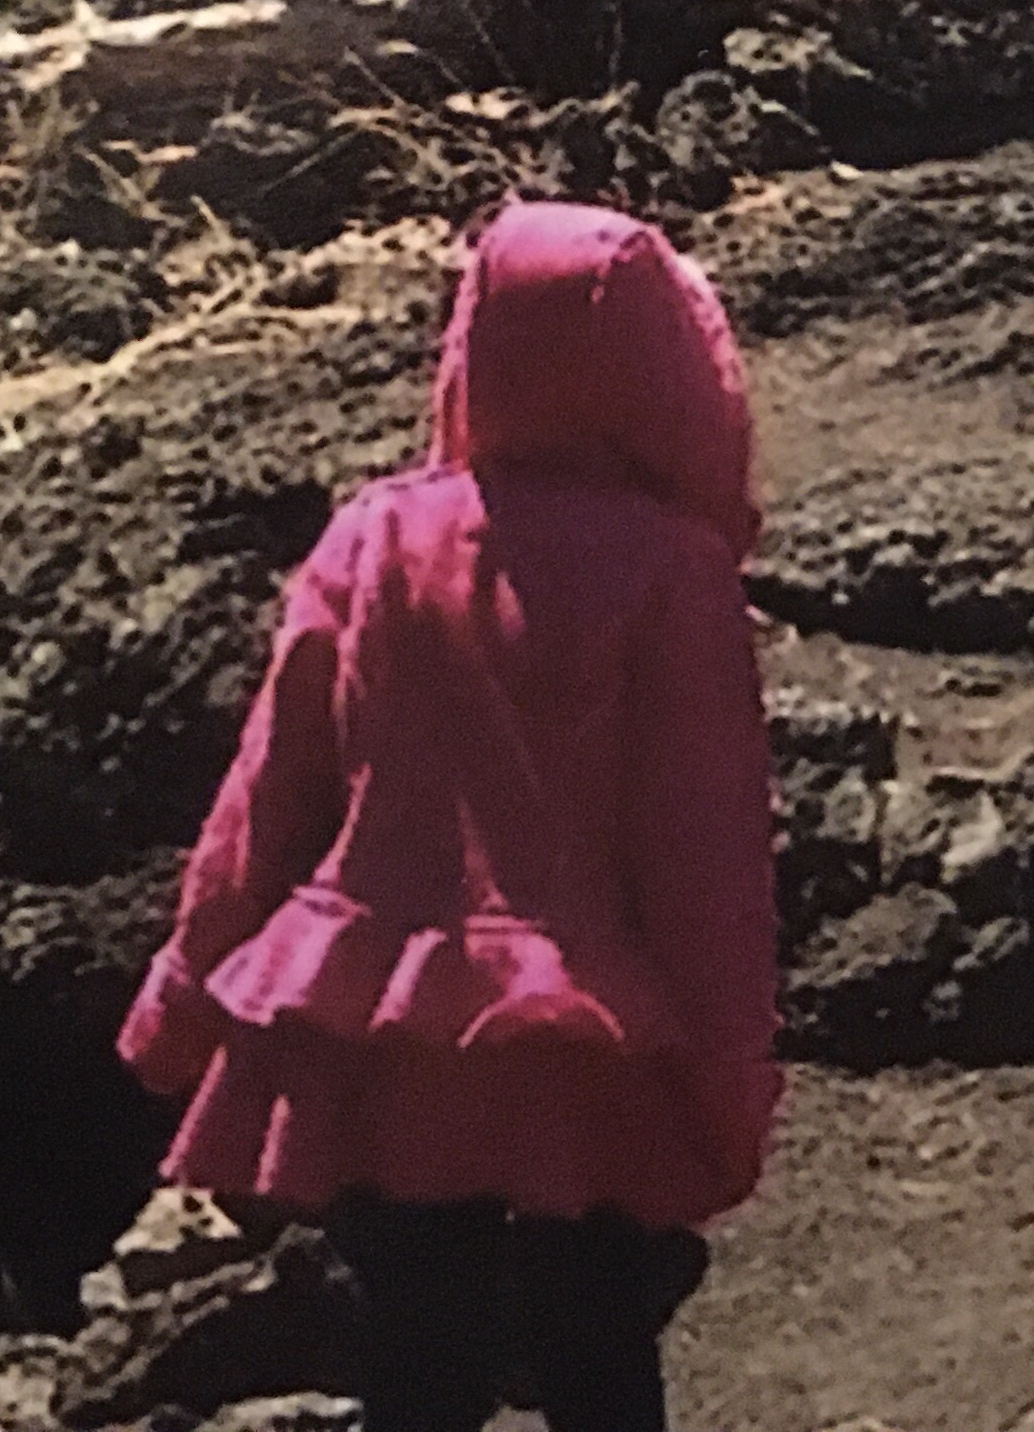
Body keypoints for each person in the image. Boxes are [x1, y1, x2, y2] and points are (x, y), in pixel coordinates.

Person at [117, 201, 781, 1432]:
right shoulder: (675, 572)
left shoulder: (374, 537)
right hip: (587, 1048)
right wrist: (729, 1067)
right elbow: (706, 853)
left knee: (415, 1360)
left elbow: (270, 796)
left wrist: (185, 993)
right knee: (602, 1357)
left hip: (388, 1030)